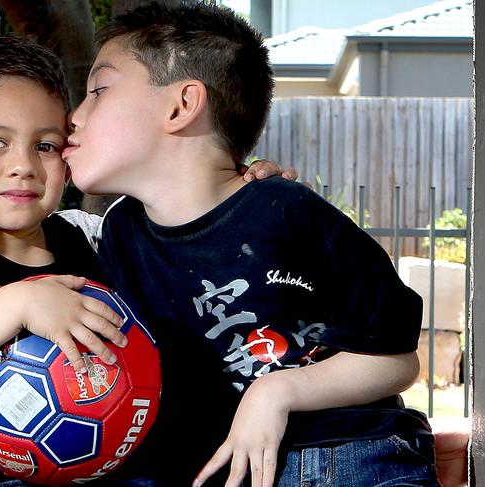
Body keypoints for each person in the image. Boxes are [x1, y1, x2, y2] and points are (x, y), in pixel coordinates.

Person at [64, 3, 440, 486]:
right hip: (220, 468)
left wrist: (278, 391)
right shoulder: (119, 234)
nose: (74, 116)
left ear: (180, 106)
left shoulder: (285, 210)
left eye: (98, 91)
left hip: (348, 452)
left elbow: (395, 357)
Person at [0, 35, 284, 486]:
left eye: (46, 146)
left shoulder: (94, 242)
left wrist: (239, 195)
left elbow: (186, 235)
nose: (23, 165)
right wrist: (22, 303)